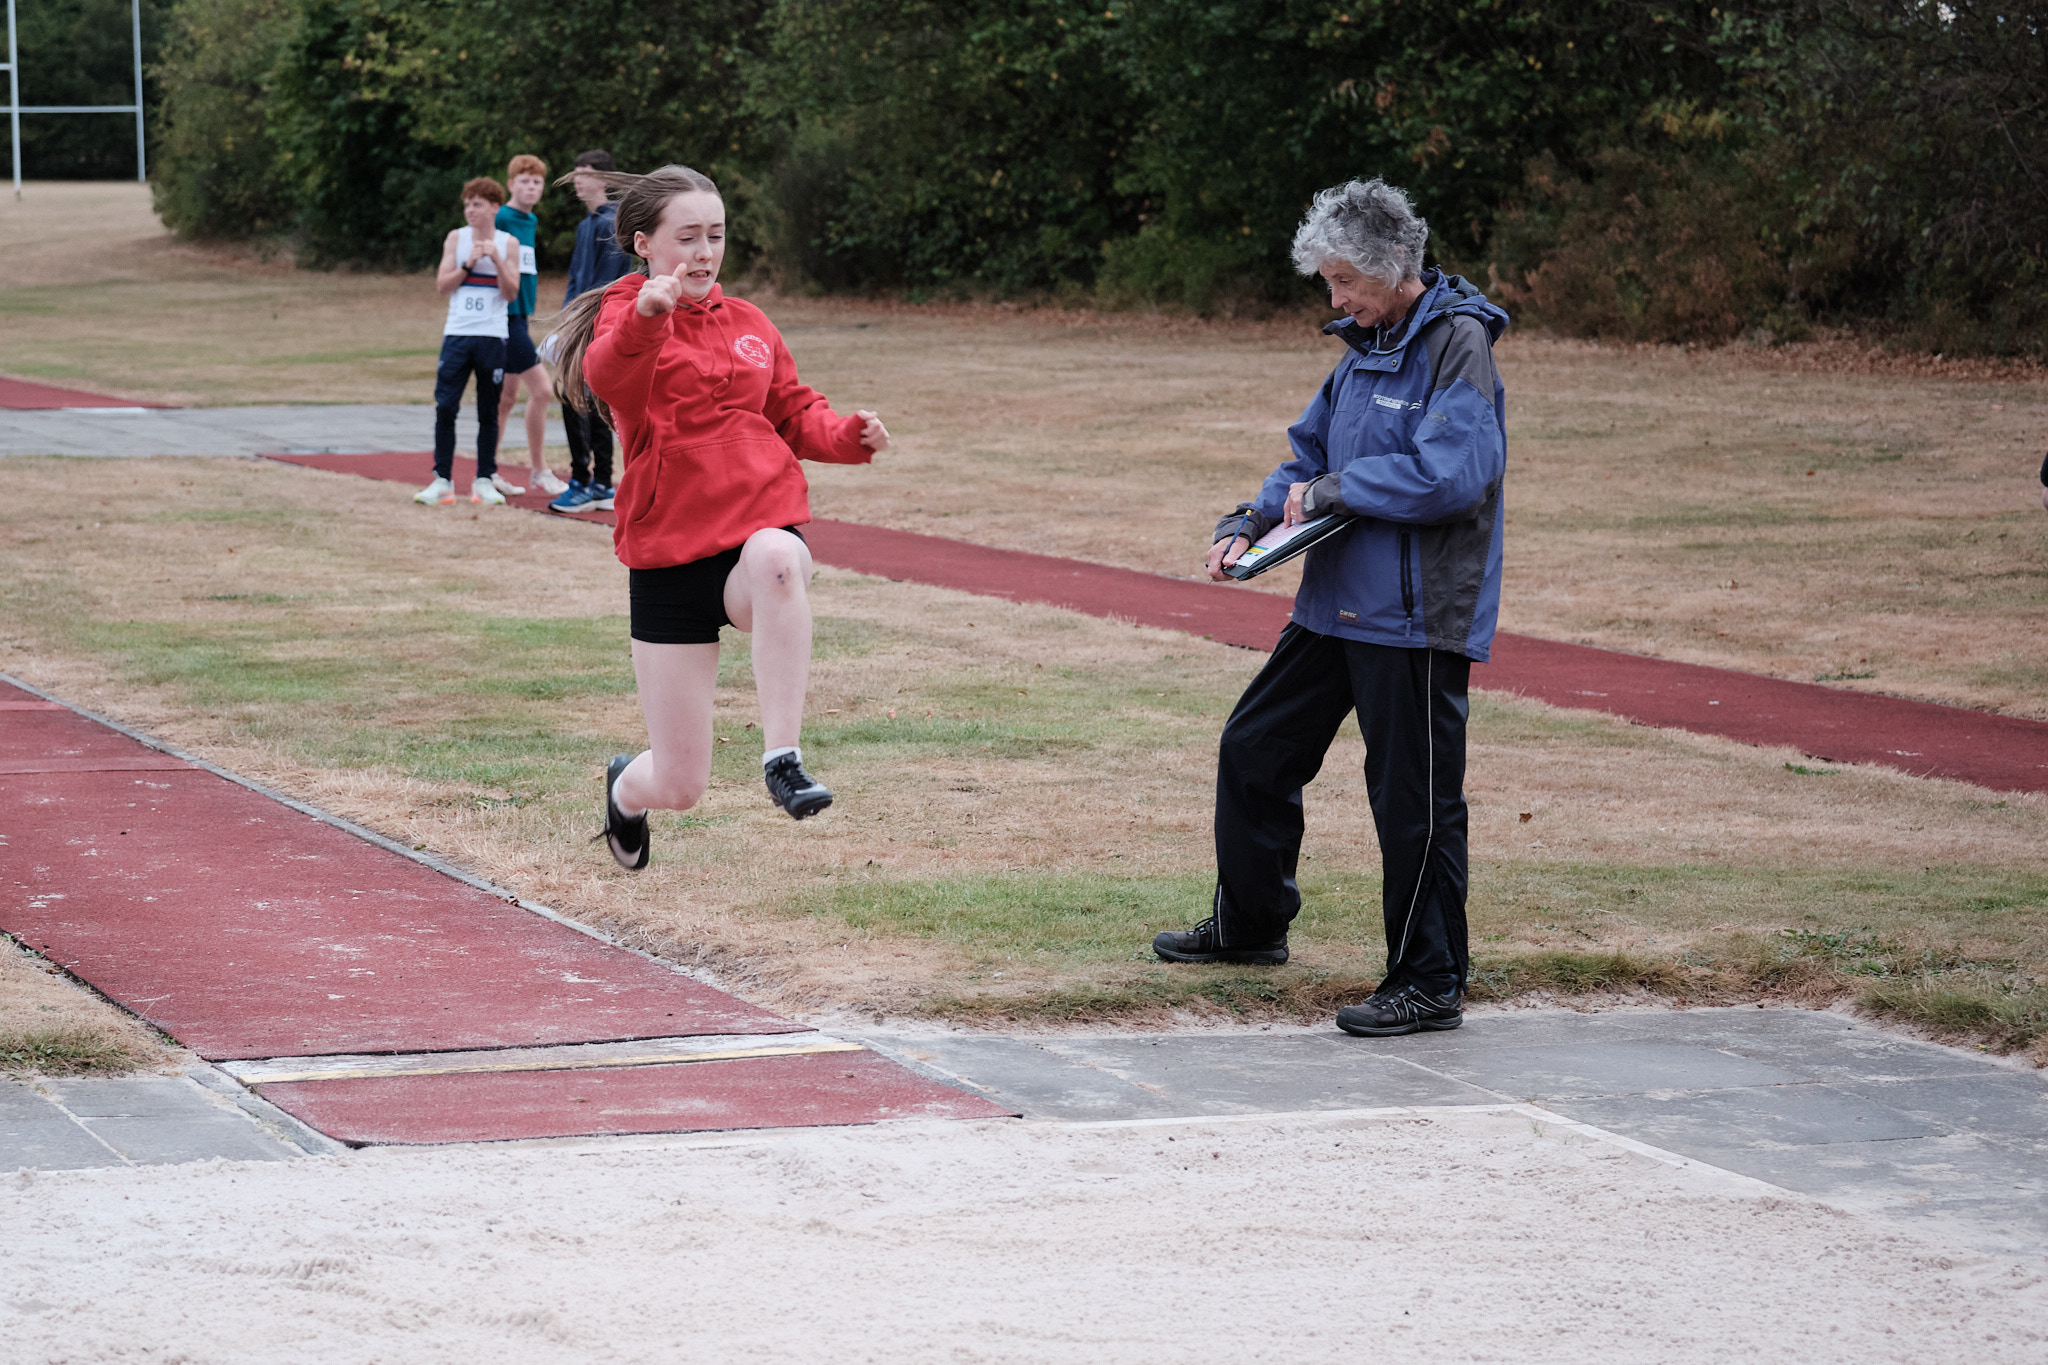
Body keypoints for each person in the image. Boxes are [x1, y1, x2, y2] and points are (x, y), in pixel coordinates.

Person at [1148, 177, 1510, 1039]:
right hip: (1332, 605)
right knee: (1255, 747)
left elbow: (1451, 476)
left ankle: (1429, 980)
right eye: (1329, 283)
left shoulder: (1457, 343)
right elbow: (1305, 457)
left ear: (1393, 265)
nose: (1335, 299)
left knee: (1414, 802)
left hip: (1414, 619)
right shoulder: (1361, 348)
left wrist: (1336, 489)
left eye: (1345, 280)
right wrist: (1250, 520)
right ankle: (1251, 925)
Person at [548, 165, 891, 869]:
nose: (704, 253)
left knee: (779, 558)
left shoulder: (750, 323)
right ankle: (626, 789)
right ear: (644, 243)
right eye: (688, 237)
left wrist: (847, 434)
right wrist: (648, 316)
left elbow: (793, 410)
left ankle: (783, 759)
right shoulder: (627, 314)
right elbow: (608, 376)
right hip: (669, 555)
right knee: (680, 784)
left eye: (716, 235)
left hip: (751, 539)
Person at [416, 176, 522, 507]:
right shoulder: (456, 238)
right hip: (458, 334)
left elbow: (512, 293)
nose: (470, 210)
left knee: (488, 410)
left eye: (477, 204)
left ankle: (484, 480)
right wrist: (469, 263)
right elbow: (443, 285)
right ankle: (442, 480)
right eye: (467, 205)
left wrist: (497, 260)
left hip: (492, 336)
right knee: (446, 406)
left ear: (494, 207)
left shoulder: (508, 243)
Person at [548, 150, 634, 516]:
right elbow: (575, 280)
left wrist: (582, 327)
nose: (577, 180)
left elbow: (606, 285)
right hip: (578, 326)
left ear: (605, 179)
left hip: (597, 327)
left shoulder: (611, 223)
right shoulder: (586, 225)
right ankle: (592, 481)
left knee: (586, 401)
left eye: (585, 173)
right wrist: (564, 324)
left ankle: (592, 482)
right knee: (577, 400)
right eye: (576, 172)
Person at [493, 153, 570, 498]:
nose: (531, 187)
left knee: (507, 397)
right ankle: (539, 470)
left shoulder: (531, 220)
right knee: (541, 390)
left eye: (537, 182)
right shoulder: (502, 217)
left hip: (521, 314)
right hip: (504, 317)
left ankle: (487, 470)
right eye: (524, 181)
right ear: (511, 184)